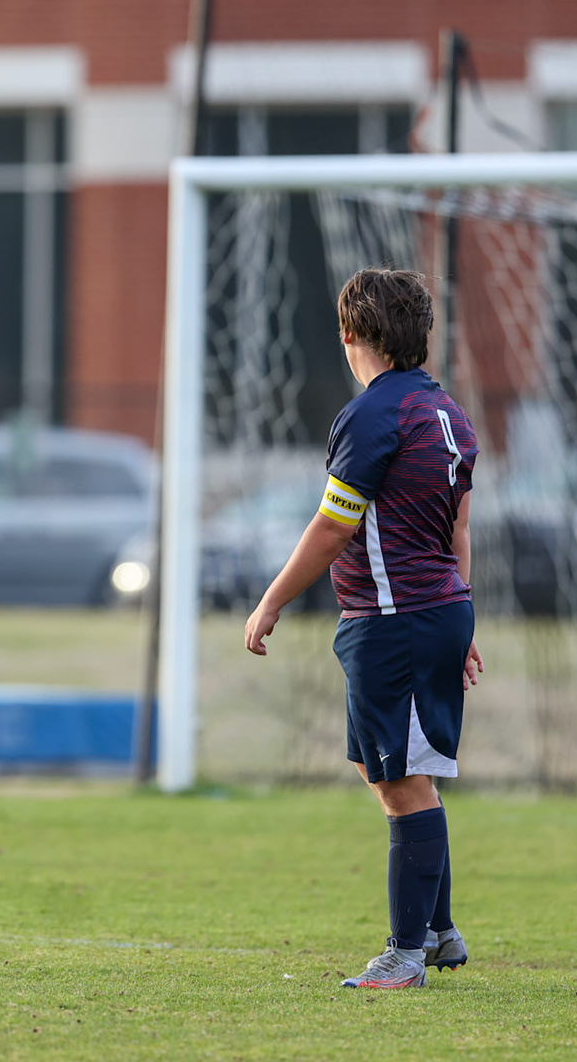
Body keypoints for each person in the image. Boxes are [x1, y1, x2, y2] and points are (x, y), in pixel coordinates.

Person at [244, 267, 482, 991]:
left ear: (350, 332)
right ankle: (437, 931)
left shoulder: (373, 415)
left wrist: (273, 600)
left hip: (395, 618)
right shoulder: (448, 414)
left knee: (404, 781)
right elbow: (458, 527)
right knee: (389, 769)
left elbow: (332, 526)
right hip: (432, 610)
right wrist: (461, 615)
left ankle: (407, 954)